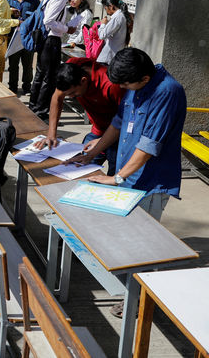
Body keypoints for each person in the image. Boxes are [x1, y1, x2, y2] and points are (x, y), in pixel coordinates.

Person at [67, 48, 186, 318]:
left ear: (144, 78)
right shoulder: (135, 85)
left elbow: (149, 145)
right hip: (128, 176)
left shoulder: (167, 92)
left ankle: (139, 302)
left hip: (150, 181)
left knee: (143, 246)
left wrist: (117, 177)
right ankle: (132, 292)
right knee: (125, 240)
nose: (121, 89)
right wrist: (92, 153)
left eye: (125, 84)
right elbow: (118, 125)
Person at [33, 59, 124, 174]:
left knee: (114, 176)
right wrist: (51, 134)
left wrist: (101, 141)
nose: (70, 97)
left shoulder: (111, 85)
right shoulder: (70, 68)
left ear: (83, 80)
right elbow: (57, 97)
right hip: (98, 130)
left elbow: (125, 120)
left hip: (119, 134)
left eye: (73, 93)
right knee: (79, 168)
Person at [28, 0, 80, 119]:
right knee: (49, 78)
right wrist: (66, 29)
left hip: (46, 40)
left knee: (40, 75)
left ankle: (33, 107)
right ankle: (40, 112)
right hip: (51, 41)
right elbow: (49, 20)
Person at [7, 0, 39, 94]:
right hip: (13, 37)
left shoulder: (33, 1)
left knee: (28, 64)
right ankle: (13, 87)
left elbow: (39, 16)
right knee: (13, 64)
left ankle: (27, 86)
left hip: (28, 38)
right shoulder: (8, 2)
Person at [96, 0, 130, 64]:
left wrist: (102, 24)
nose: (106, 11)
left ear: (111, 6)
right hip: (113, 56)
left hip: (108, 57)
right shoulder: (121, 16)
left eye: (105, 8)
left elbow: (102, 35)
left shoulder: (117, 17)